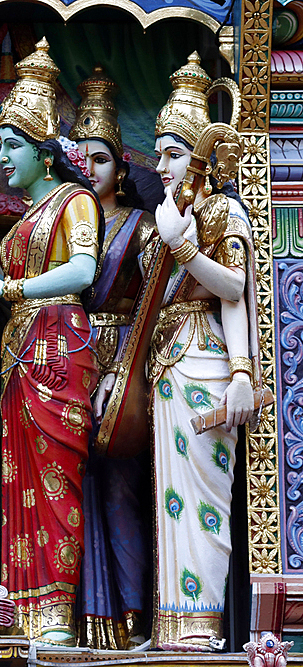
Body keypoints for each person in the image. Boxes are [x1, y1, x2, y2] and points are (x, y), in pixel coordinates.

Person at [0, 38, 101, 646]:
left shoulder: (76, 201)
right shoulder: (18, 223)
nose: (2, 155)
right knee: (21, 484)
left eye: (12, 145)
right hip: (21, 358)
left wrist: (4, 290)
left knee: (56, 484)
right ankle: (27, 611)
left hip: (58, 348)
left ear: (43, 150)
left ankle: (56, 616)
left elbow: (82, 274)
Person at [147, 52, 259, 651]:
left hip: (209, 362)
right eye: (159, 152)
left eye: (174, 154)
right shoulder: (171, 215)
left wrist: (243, 372)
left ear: (202, 160)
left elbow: (236, 290)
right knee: (174, 506)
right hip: (169, 364)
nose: (161, 165)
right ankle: (175, 625)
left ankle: (203, 625)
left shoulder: (219, 210)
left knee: (205, 508)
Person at [68, 66, 154, 649]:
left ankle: (131, 610)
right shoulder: (61, 219)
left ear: (120, 169)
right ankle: (84, 620)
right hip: (71, 355)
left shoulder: (139, 225)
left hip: (123, 356)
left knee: (122, 484)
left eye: (101, 160)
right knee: (74, 483)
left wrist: (125, 371)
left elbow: (153, 301)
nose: (91, 171)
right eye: (82, 159)